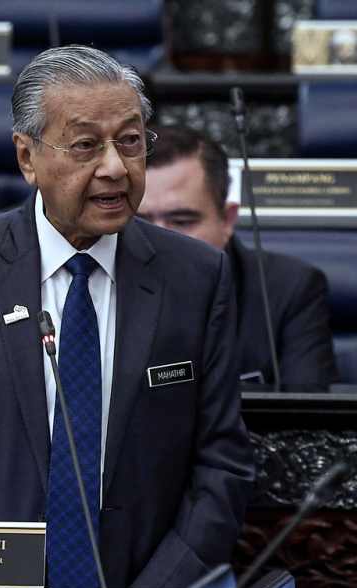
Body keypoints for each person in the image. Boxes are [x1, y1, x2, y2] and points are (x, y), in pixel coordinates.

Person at [0, 46, 254, 588]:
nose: (115, 167)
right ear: (27, 157)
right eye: (85, 146)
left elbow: (222, 463)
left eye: (130, 141)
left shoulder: (196, 275)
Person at [138, 125, 337, 391]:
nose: (159, 239)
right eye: (140, 223)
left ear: (227, 220)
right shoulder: (98, 281)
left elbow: (305, 410)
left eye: (182, 221)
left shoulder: (290, 288)